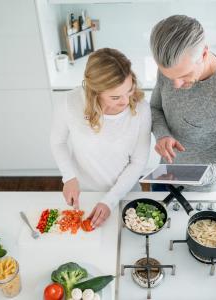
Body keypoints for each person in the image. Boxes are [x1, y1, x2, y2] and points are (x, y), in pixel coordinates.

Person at [149, 15, 216, 192]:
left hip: (201, 191)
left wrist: (198, 175)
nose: (176, 85)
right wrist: (162, 135)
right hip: (165, 173)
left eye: (184, 76)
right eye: (169, 77)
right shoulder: (171, 68)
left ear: (204, 54)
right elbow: (155, 108)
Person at [51, 48, 151, 227]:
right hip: (85, 195)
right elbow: (58, 142)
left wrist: (110, 200)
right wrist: (69, 177)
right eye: (115, 97)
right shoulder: (70, 103)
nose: (126, 101)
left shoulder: (142, 108)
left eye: (129, 91)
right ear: (95, 92)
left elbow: (138, 161)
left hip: (124, 194)